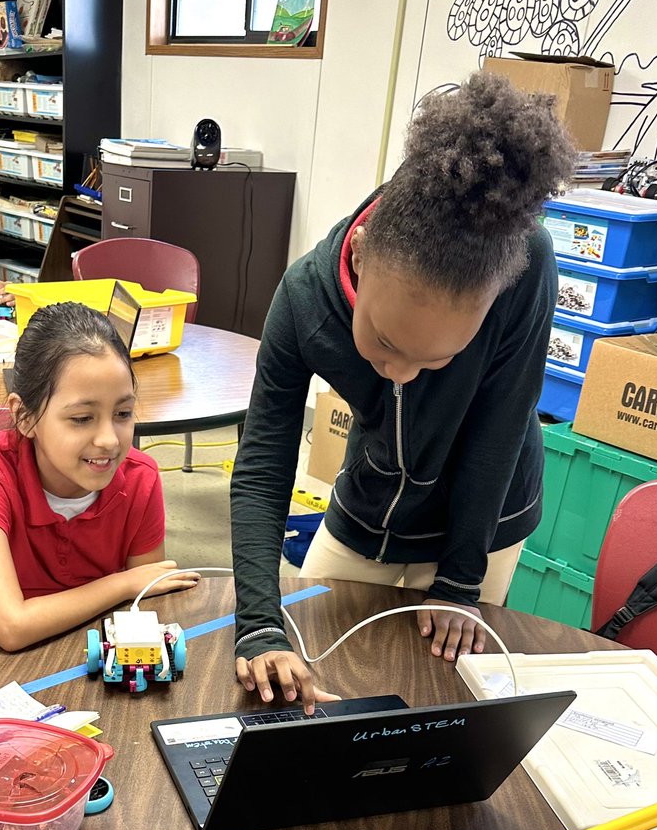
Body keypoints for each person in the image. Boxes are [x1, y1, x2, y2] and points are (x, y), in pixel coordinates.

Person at [230, 71, 575, 713]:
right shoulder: (304, 299)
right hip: (371, 501)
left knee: (440, 701)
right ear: (360, 255)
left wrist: (459, 583)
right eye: (385, 343)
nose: (400, 375)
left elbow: (499, 430)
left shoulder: (523, 268)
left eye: (437, 359)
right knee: (307, 669)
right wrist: (258, 621)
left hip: (484, 519)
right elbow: (262, 464)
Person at [0, 302, 198, 654]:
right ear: (25, 416)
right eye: (81, 418)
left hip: (93, 629)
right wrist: (121, 584)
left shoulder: (140, 478)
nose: (109, 439)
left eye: (123, 413)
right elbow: (9, 627)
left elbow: (146, 597)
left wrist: (128, 588)